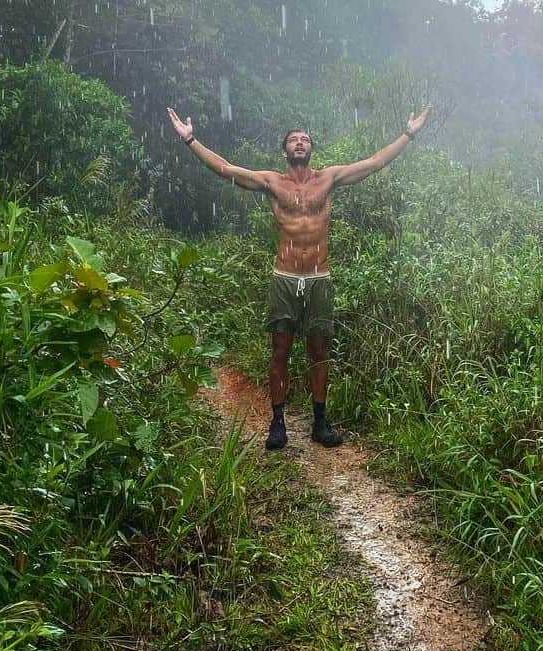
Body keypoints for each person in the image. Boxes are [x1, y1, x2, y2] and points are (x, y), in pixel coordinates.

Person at [165, 105, 432, 450]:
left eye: (305, 139)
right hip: (285, 277)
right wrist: (190, 141)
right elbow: (225, 169)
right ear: (285, 151)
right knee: (280, 351)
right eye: (294, 140)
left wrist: (409, 133)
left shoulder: (329, 178)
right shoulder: (272, 182)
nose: (300, 143)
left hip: (319, 278)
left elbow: (374, 162)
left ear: (312, 149)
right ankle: (278, 424)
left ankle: (320, 422)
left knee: (319, 352)